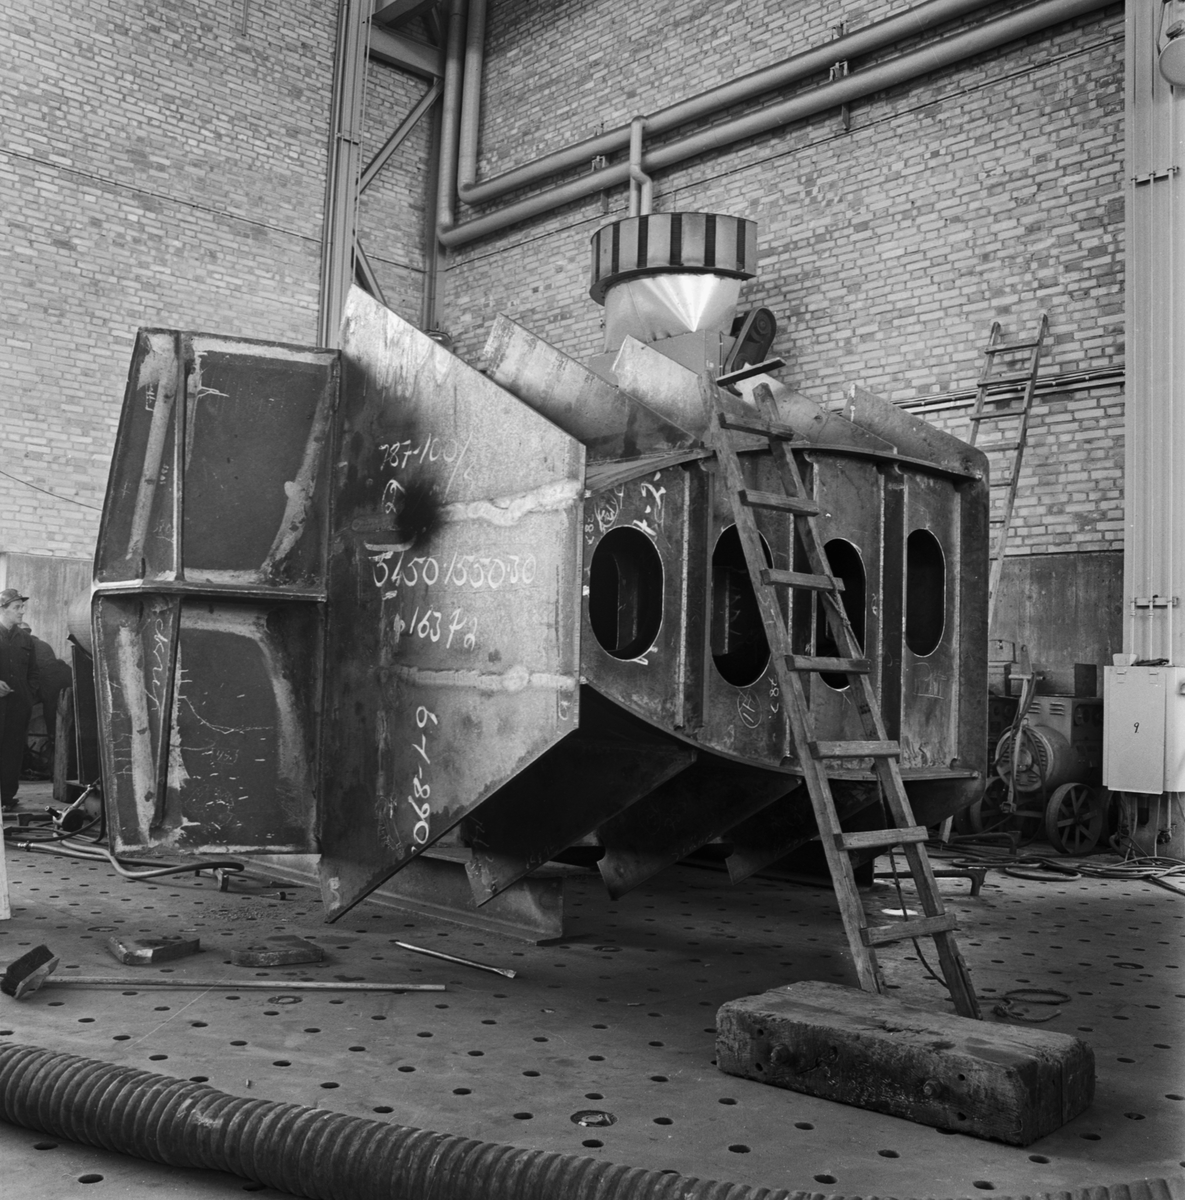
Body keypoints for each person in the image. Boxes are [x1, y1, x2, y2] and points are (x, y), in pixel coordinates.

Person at [0, 589, 40, 810]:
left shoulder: (26, 639)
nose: (22, 611)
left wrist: (27, 696)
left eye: (22, 607)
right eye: (17, 607)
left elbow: (33, 673)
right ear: (3, 609)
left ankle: (6, 797)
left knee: (13, 753)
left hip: (17, 708)